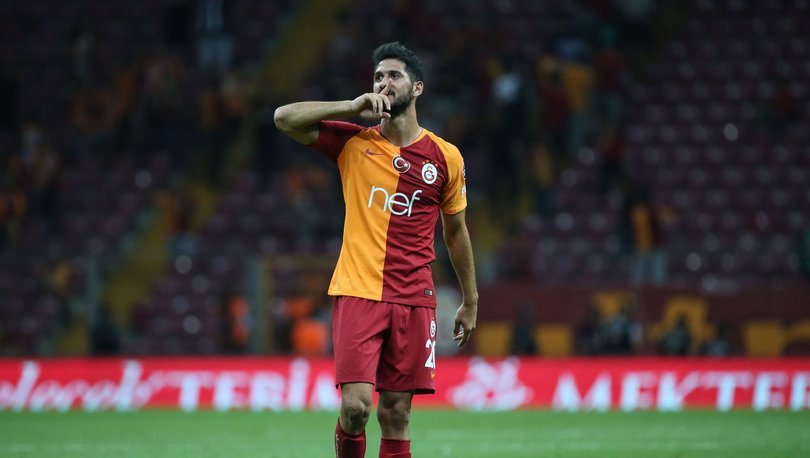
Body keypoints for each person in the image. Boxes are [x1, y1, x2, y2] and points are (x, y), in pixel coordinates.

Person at [274, 42, 478, 458]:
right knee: (356, 409)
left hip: (414, 296)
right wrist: (351, 107)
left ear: (417, 88)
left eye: (394, 75)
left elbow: (456, 233)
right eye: (378, 76)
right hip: (358, 290)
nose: (384, 83)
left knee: (397, 413)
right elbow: (283, 118)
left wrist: (470, 299)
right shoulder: (352, 143)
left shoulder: (446, 157)